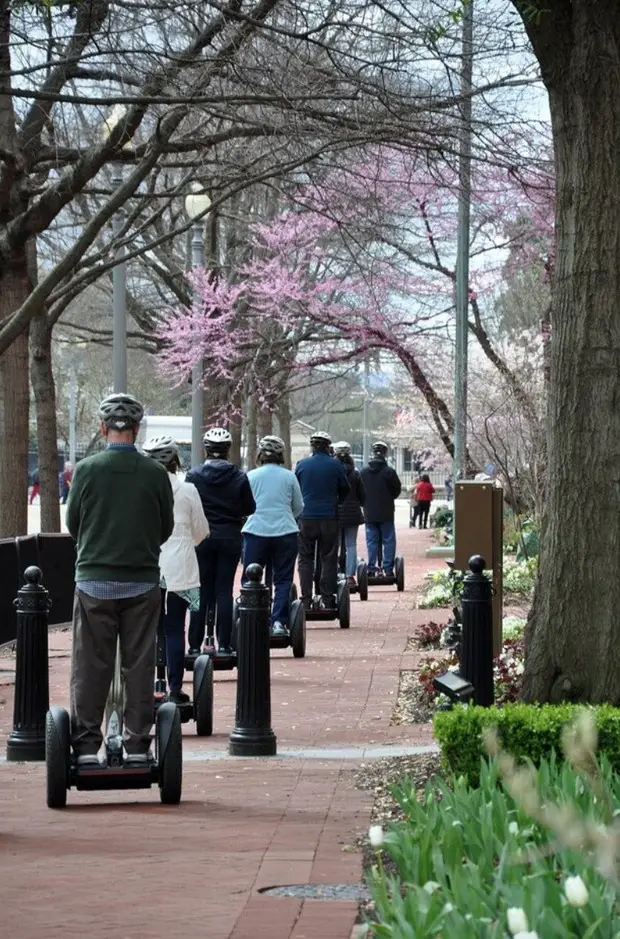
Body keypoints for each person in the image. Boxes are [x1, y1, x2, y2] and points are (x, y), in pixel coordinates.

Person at [65, 393, 175, 767]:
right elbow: (165, 527)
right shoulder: (156, 473)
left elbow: (72, 525)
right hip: (142, 582)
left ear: (102, 428)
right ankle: (138, 744)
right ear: (137, 430)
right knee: (139, 663)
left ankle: (84, 746)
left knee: (89, 663)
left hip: (94, 580)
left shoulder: (86, 470)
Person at [142, 435, 210, 703]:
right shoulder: (188, 489)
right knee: (174, 629)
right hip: (180, 568)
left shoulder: (140, 489)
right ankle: (174, 689)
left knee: (144, 631)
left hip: (147, 566)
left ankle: (144, 688)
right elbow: (201, 530)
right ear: (174, 461)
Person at [186, 427, 255, 656]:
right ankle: (224, 645)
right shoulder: (238, 476)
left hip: (201, 538)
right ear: (227, 450)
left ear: (206, 449)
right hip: (229, 537)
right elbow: (249, 507)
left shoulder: (194, 476)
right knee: (223, 590)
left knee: (202, 590)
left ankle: (195, 645)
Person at [242, 436, 304, 637]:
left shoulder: (250, 476)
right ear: (281, 456)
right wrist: (285, 517)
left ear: (260, 455)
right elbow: (298, 506)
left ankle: (248, 618)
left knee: (250, 578)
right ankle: (278, 621)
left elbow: (244, 505)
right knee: (283, 579)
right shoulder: (289, 476)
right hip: (285, 532)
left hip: (256, 531)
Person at [295, 431, 350, 609]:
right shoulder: (335, 465)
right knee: (328, 557)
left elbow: (295, 489)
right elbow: (345, 488)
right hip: (328, 517)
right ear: (328, 447)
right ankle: (327, 598)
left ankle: (305, 599)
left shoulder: (302, 464)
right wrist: (337, 501)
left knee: (305, 558)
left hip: (307, 516)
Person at [361, 441, 402, 575]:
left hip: (369, 511)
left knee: (372, 541)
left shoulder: (364, 472)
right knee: (388, 540)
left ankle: (371, 568)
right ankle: (388, 568)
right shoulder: (389, 472)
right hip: (386, 511)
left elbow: (360, 491)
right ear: (385, 453)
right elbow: (397, 490)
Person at [333, 441, 365, 586]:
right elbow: (362, 496)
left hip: (335, 513)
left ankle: (334, 573)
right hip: (352, 514)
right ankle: (350, 575)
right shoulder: (355, 473)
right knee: (351, 544)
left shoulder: (332, 472)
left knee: (335, 545)